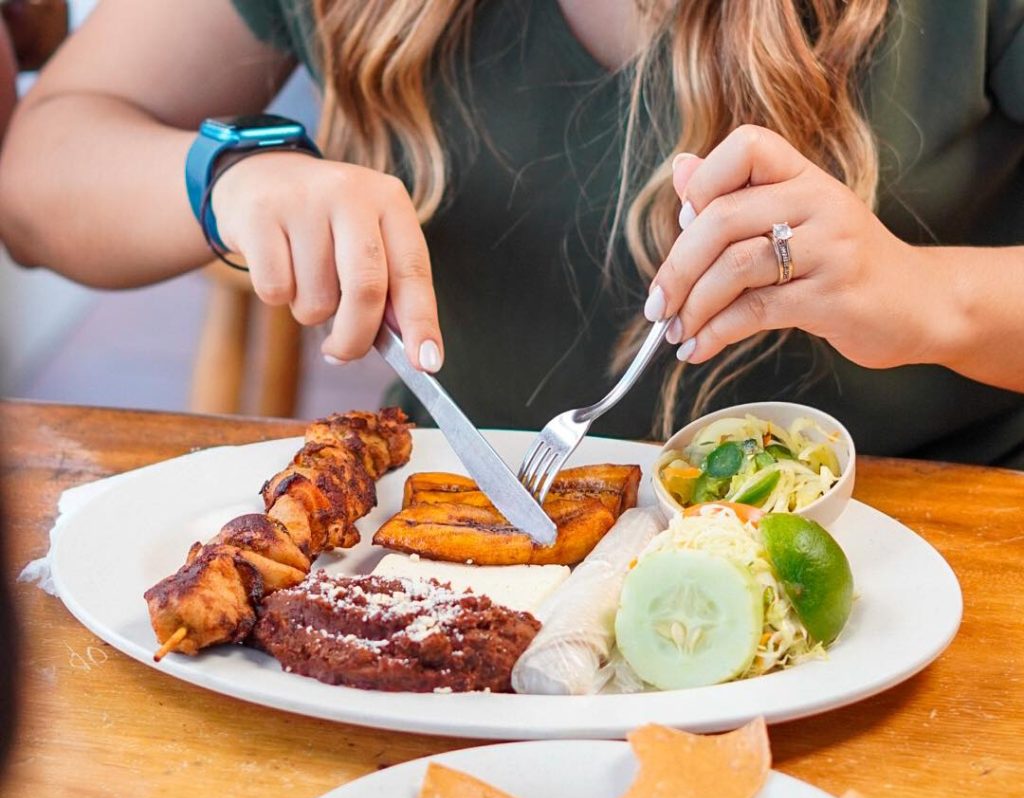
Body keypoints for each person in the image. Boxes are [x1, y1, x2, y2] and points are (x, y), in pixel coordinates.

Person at [0, 0, 1022, 465]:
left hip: (929, 545)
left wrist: (925, 296)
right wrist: (232, 180)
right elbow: (38, 177)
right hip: (471, 544)